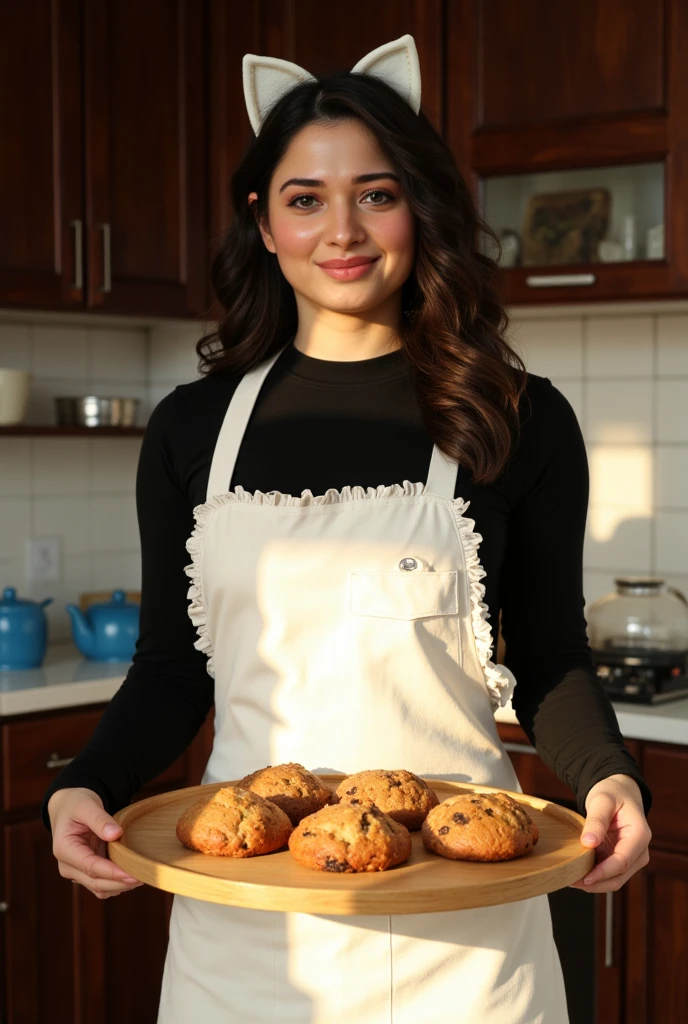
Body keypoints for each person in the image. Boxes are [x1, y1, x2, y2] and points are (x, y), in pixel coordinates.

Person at [45, 35, 651, 1024]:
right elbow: (170, 667)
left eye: (375, 193)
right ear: (263, 219)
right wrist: (85, 785)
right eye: (305, 198)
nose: (343, 230)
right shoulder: (193, 430)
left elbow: (547, 656)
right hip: (245, 939)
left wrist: (611, 776)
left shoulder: (515, 417)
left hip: (462, 944)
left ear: (420, 206)